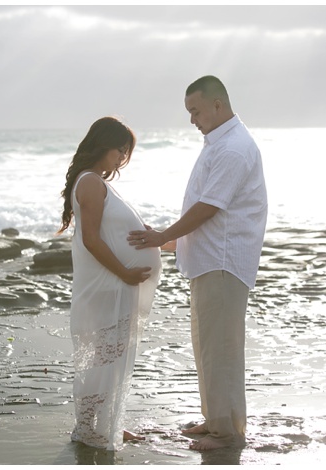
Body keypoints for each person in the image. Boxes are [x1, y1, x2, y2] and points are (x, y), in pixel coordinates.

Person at [128, 75, 268, 450]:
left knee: (220, 348)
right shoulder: (220, 143)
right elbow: (210, 210)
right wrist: (172, 241)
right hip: (211, 260)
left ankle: (227, 433)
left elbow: (209, 207)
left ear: (217, 106)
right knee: (208, 346)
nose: (192, 119)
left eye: (196, 111)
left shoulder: (233, 148)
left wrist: (161, 237)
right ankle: (215, 420)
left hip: (223, 264)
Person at [58, 116, 162, 451]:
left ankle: (107, 423)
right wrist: (124, 272)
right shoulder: (89, 182)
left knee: (110, 356)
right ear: (103, 145)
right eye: (120, 149)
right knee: (103, 357)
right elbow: (90, 239)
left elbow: (113, 233)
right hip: (107, 284)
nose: (122, 157)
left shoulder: (97, 182)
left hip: (113, 284)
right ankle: (88, 429)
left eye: (126, 151)